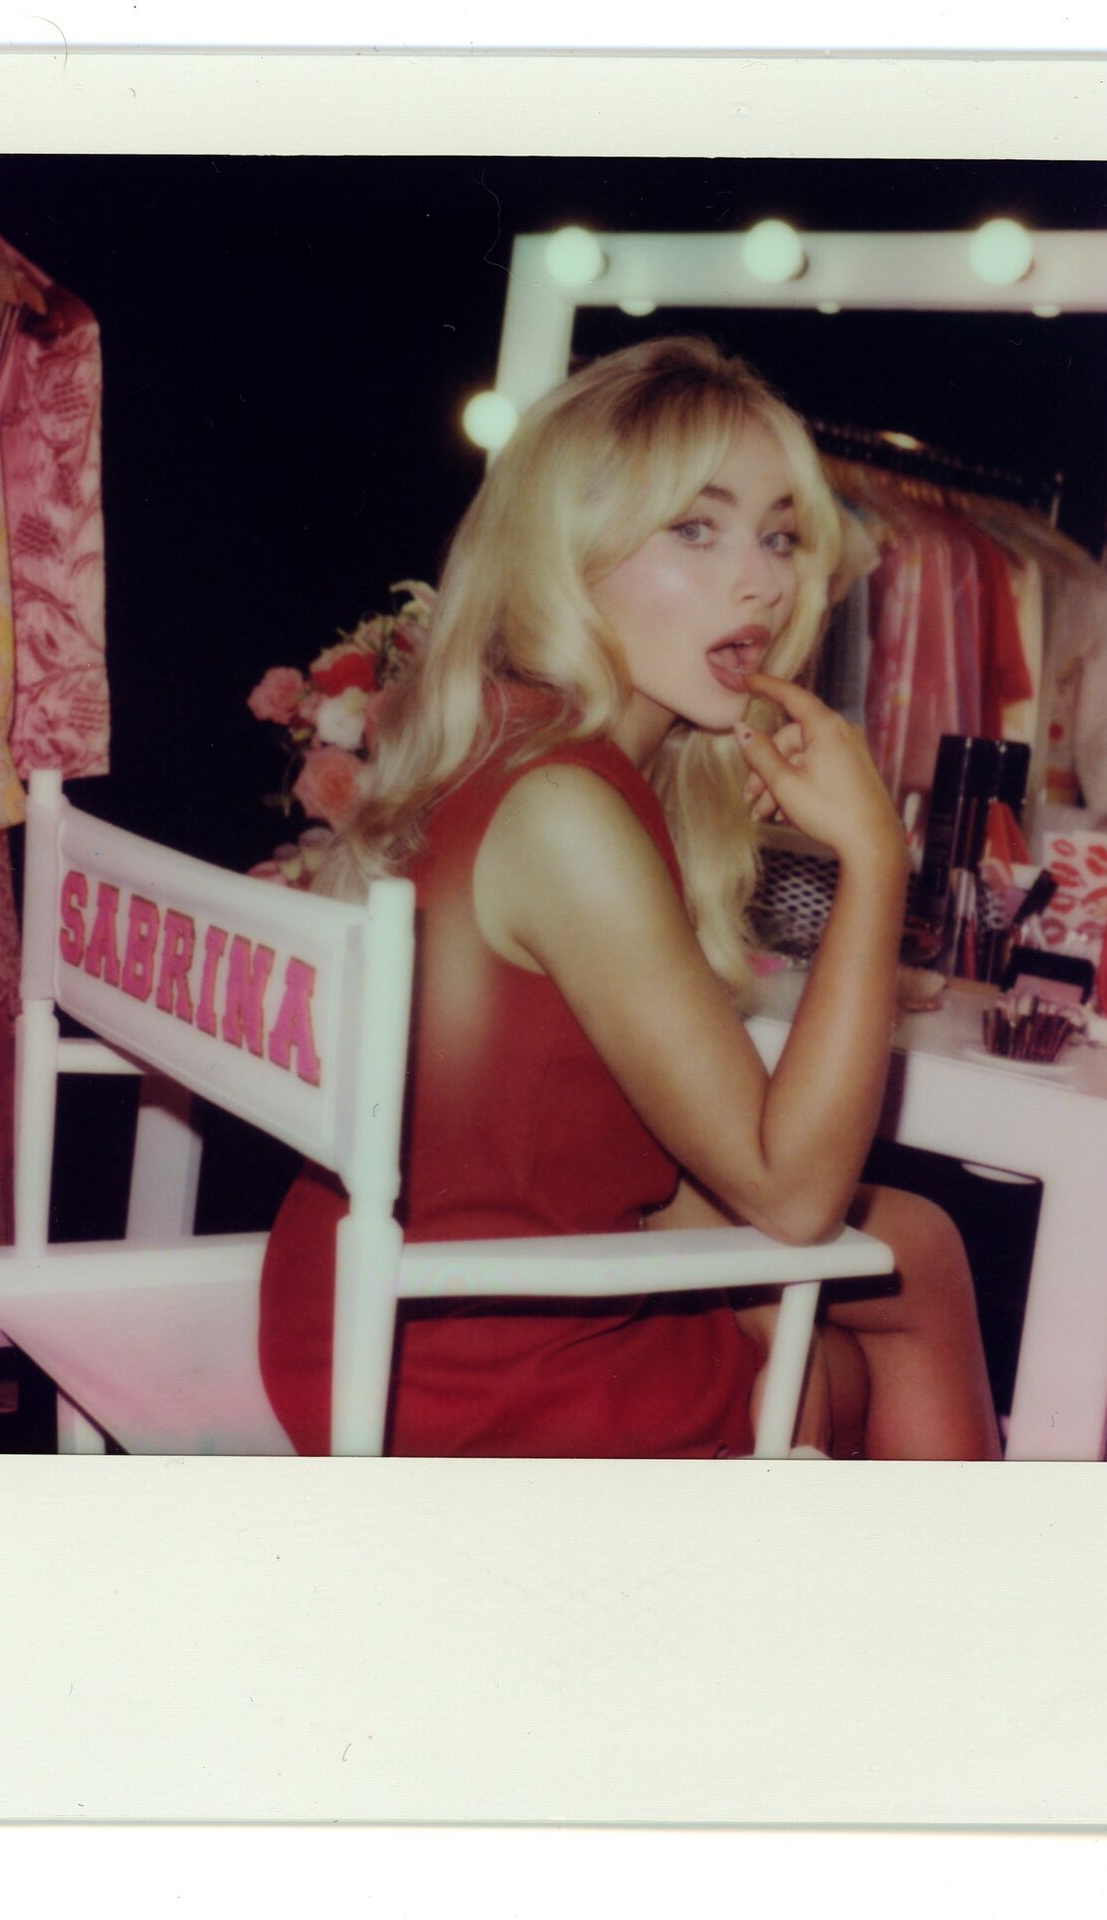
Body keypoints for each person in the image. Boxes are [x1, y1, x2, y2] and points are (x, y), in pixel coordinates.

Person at [259, 336, 1001, 1460]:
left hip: (388, 1301)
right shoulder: (565, 805)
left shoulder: (514, 740)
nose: (762, 582)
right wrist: (873, 861)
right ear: (566, 555)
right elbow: (795, 1196)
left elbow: (578, 1132)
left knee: (920, 1246)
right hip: (461, 1365)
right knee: (846, 1353)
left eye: (779, 537)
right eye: (695, 529)